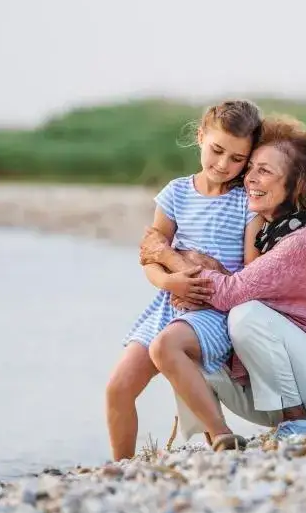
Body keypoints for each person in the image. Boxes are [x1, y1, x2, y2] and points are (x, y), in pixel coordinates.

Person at [139, 115, 306, 448]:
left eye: (264, 171)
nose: (250, 178)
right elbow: (237, 287)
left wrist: (168, 256)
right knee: (186, 338)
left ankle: (297, 420)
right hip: (271, 386)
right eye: (251, 167)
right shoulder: (265, 231)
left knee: (244, 314)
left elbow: (235, 294)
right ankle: (217, 437)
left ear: (295, 184)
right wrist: (202, 275)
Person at [106, 100, 264, 460]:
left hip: (214, 313)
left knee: (167, 346)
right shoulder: (176, 193)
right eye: (217, 150)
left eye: (237, 158)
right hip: (167, 304)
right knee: (118, 388)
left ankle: (221, 435)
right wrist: (169, 283)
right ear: (201, 136)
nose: (223, 164)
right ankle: (122, 468)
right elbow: (151, 255)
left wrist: (212, 282)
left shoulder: (246, 203)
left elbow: (251, 273)